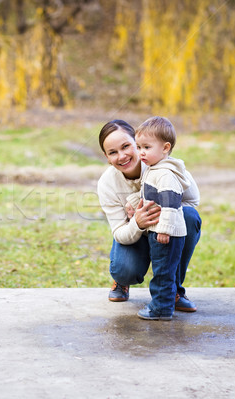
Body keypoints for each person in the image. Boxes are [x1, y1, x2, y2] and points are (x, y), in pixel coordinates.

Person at [96, 119, 201, 319]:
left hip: (164, 230)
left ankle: (173, 290)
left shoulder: (164, 167)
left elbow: (193, 201)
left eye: (127, 146)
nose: (122, 156)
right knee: (125, 269)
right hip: (134, 233)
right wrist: (137, 222)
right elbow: (119, 231)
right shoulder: (106, 183)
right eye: (113, 152)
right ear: (107, 157)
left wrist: (161, 215)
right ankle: (121, 281)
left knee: (189, 217)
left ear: (137, 142)